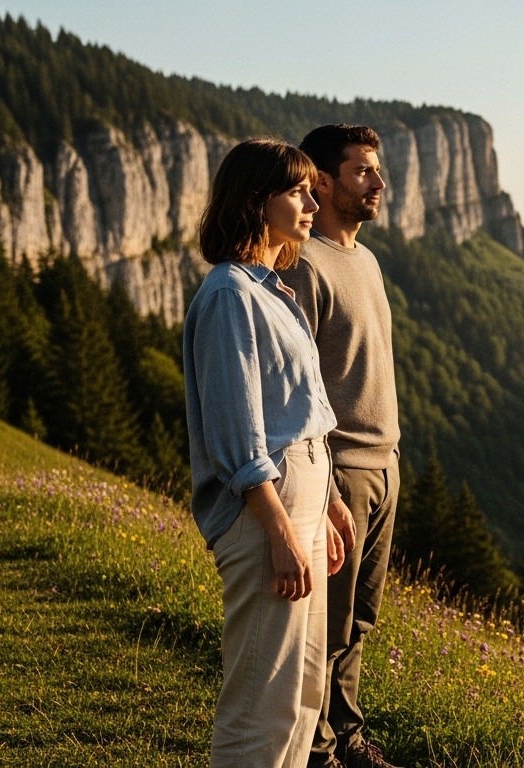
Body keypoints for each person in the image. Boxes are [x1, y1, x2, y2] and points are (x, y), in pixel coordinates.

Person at [184, 138, 348, 768]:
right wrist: (280, 529)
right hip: (265, 515)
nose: (313, 201)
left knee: (303, 695)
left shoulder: (268, 289)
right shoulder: (230, 294)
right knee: (261, 702)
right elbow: (238, 432)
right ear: (257, 202)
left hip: (297, 502)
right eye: (298, 191)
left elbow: (301, 414)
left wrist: (328, 500)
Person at [280, 124, 400, 768]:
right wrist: (324, 490)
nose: (378, 184)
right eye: (362, 172)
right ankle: (319, 748)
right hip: (342, 468)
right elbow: (299, 392)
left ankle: (347, 734)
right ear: (322, 183)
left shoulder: (367, 260)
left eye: (377, 172)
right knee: (327, 624)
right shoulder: (304, 267)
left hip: (386, 464)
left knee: (361, 619)